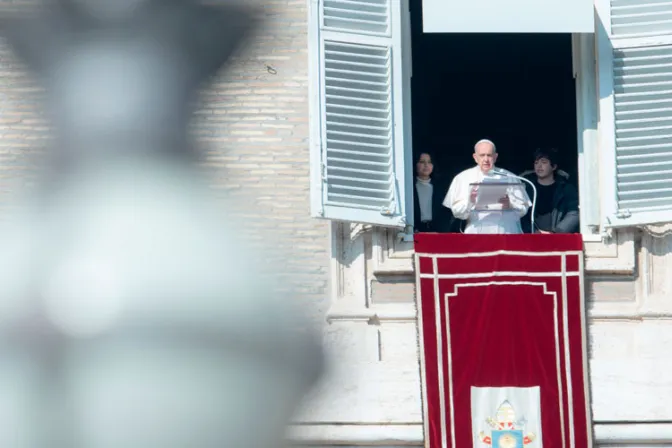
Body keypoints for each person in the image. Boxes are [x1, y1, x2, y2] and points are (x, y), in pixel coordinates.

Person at [443, 139, 530, 234]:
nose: (486, 159)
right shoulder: (462, 178)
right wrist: (470, 201)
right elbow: (457, 213)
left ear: (495, 157)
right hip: (477, 234)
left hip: (506, 232)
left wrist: (510, 205)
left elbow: (523, 210)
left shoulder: (510, 177)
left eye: (489, 155)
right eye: (482, 155)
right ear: (475, 157)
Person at [520, 148, 579, 233]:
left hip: (559, 240)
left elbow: (573, 213)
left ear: (554, 166)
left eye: (544, 162)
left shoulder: (566, 189)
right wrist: (534, 231)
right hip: (532, 239)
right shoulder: (527, 188)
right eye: (536, 163)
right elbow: (521, 214)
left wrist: (556, 233)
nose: (539, 166)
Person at [413, 152, 456, 232]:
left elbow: (446, 212)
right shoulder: (410, 187)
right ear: (415, 164)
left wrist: (441, 230)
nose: (426, 165)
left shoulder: (441, 187)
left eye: (429, 162)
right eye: (422, 162)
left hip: (437, 232)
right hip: (415, 231)